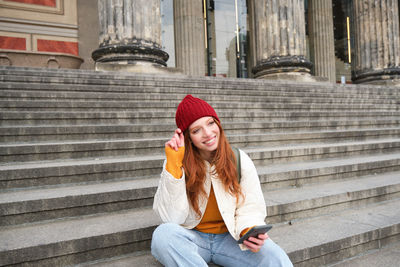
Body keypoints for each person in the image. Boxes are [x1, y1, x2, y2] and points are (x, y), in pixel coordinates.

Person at [151, 95, 293, 267]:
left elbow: (251, 205)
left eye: (210, 123)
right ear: (187, 136)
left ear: (218, 123)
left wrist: (249, 230)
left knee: (273, 255)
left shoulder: (239, 159)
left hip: (230, 239)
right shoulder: (175, 162)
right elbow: (170, 218)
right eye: (196, 130)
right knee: (163, 235)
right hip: (193, 238)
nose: (208, 133)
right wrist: (174, 166)